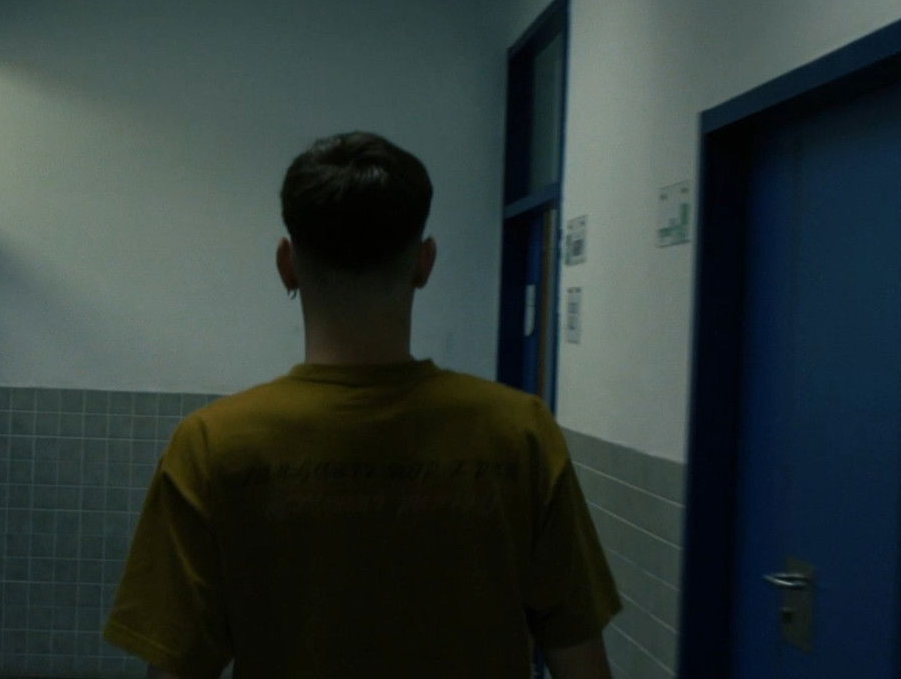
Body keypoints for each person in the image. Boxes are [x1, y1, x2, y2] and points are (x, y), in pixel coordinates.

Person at [103, 131, 621, 678]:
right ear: (424, 262)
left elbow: (177, 665)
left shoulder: (211, 445)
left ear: (287, 264)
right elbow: (580, 659)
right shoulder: (520, 433)